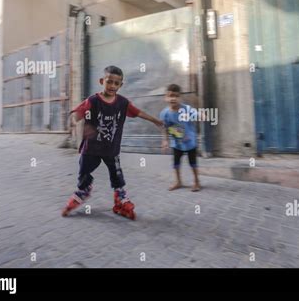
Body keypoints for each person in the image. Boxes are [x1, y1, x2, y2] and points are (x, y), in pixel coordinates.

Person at [62, 66, 162, 219]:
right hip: (91, 148)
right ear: (102, 81)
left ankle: (120, 197)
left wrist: (155, 120)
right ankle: (83, 191)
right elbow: (77, 114)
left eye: (116, 83)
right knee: (84, 170)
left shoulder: (122, 103)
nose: (112, 86)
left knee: (117, 174)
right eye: (109, 82)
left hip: (111, 148)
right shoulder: (92, 101)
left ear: (120, 85)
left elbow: (138, 112)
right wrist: (76, 122)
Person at [160, 84, 201, 192]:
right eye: (170, 96)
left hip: (190, 142)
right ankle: (178, 181)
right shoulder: (164, 113)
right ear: (165, 97)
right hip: (176, 143)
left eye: (176, 96)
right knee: (176, 163)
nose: (173, 98)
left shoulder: (186, 109)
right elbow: (165, 127)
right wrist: (165, 140)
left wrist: (201, 115)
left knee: (193, 163)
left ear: (180, 97)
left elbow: (196, 114)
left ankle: (196, 182)